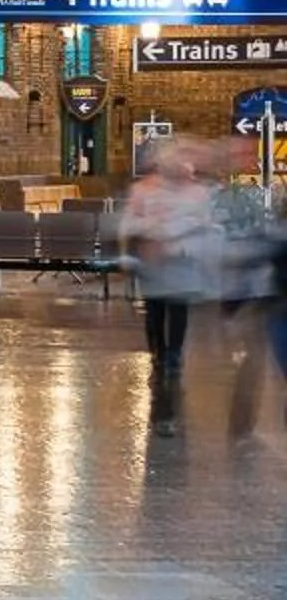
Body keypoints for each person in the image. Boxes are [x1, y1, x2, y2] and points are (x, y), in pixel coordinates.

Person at [119, 137, 219, 428]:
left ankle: (173, 355)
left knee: (178, 312)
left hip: (181, 264)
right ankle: (158, 353)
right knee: (154, 312)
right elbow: (130, 222)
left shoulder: (197, 194)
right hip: (153, 266)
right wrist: (141, 240)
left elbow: (205, 225)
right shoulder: (144, 190)